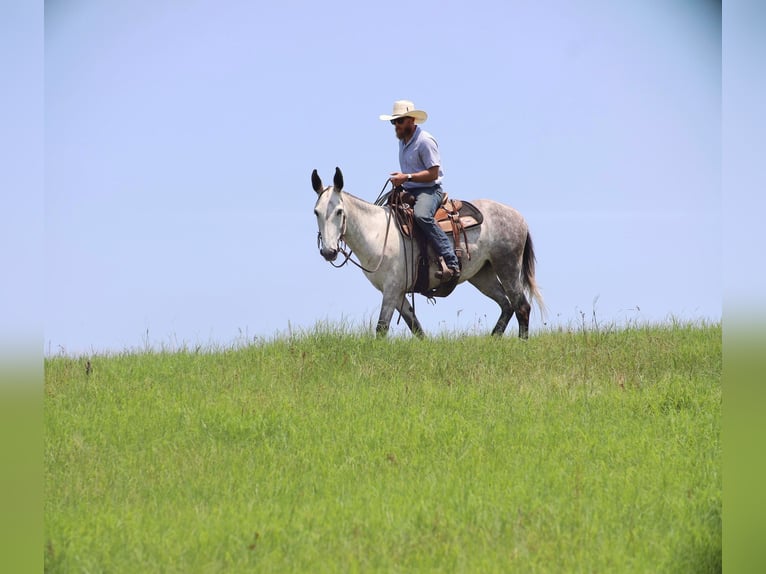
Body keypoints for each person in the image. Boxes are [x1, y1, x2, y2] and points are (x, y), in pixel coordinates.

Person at [379, 100, 461, 282]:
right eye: (394, 122)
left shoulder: (425, 141)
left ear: (411, 120)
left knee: (422, 216)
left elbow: (433, 173)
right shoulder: (403, 141)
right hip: (410, 189)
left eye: (399, 121)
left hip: (430, 190)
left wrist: (406, 177)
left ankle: (451, 259)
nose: (396, 126)